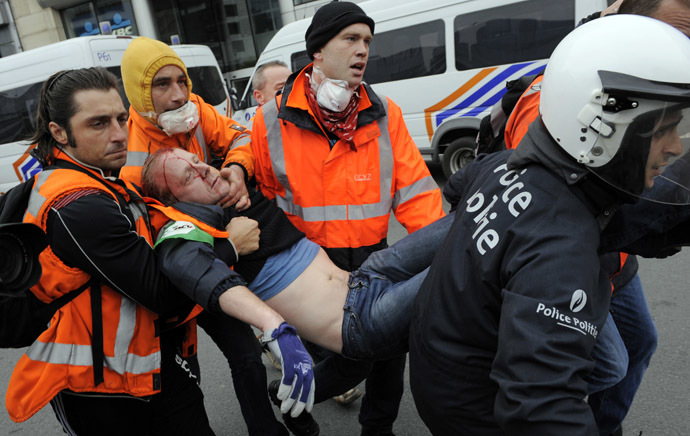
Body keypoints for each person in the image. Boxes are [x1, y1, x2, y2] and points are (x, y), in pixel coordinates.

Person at [408, 15, 690, 435]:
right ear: (600, 127)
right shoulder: (561, 241)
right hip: (474, 410)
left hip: (448, 383)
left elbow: (461, 184)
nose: (674, 149)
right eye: (662, 131)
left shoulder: (520, 166)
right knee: (612, 362)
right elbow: (541, 408)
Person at [3, 67, 312, 435]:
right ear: (59, 133)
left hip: (141, 368)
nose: (120, 135)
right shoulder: (79, 204)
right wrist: (229, 245)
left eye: (121, 119)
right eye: (98, 124)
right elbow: (163, 296)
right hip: (104, 392)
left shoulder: (91, 178)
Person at [224, 2, 445, 435]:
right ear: (317, 52)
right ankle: (293, 397)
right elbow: (265, 196)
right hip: (306, 265)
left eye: (367, 41)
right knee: (349, 359)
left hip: (372, 255)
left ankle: (376, 427)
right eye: (351, 39)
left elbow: (418, 194)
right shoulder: (270, 121)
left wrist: (441, 255)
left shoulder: (385, 114)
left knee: (389, 353)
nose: (363, 50)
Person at [498, 2, 690, 434]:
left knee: (640, 344)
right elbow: (562, 211)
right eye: (674, 33)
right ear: (627, 25)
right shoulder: (570, 94)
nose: (681, 49)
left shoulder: (640, 76)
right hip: (578, 262)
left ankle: (604, 424)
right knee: (606, 365)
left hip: (615, 261)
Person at [140, 146, 451, 409]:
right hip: (360, 321)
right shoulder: (195, 228)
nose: (203, 169)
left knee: (463, 224)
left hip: (365, 277)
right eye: (188, 176)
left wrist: (236, 165)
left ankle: (288, 398)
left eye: (196, 160)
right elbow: (184, 264)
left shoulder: (234, 192)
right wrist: (232, 249)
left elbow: (246, 138)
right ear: (173, 203)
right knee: (459, 264)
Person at [118, 37, 289, 435]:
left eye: (182, 80)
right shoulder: (129, 160)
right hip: (179, 281)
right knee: (184, 378)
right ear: (139, 93)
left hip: (216, 260)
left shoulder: (197, 113)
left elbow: (239, 137)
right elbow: (163, 245)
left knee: (246, 355)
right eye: (162, 85)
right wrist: (226, 242)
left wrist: (236, 171)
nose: (178, 95)